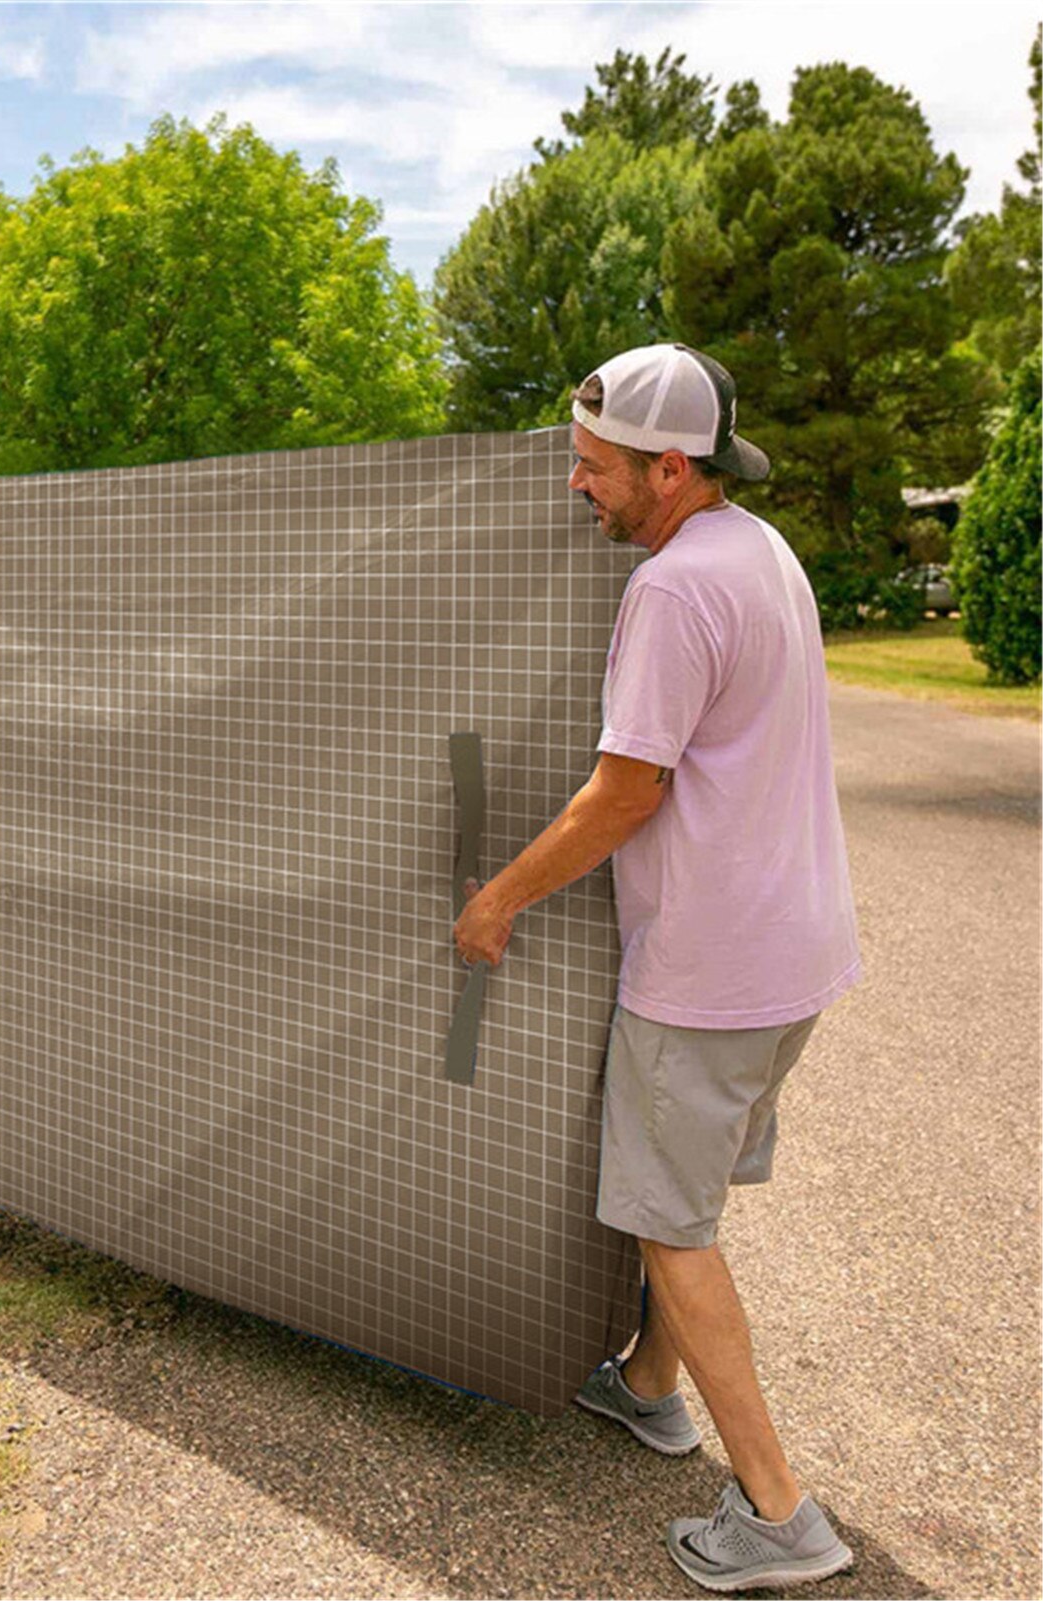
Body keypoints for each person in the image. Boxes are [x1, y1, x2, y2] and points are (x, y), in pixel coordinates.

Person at [454, 344, 860, 1592]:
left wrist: (497, 898)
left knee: (666, 1224)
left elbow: (624, 790)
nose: (575, 486)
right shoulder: (760, 550)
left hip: (708, 968)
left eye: (590, 467)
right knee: (679, 1193)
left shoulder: (675, 589)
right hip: (792, 946)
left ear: (667, 468)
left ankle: (778, 1513)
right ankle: (645, 1387)